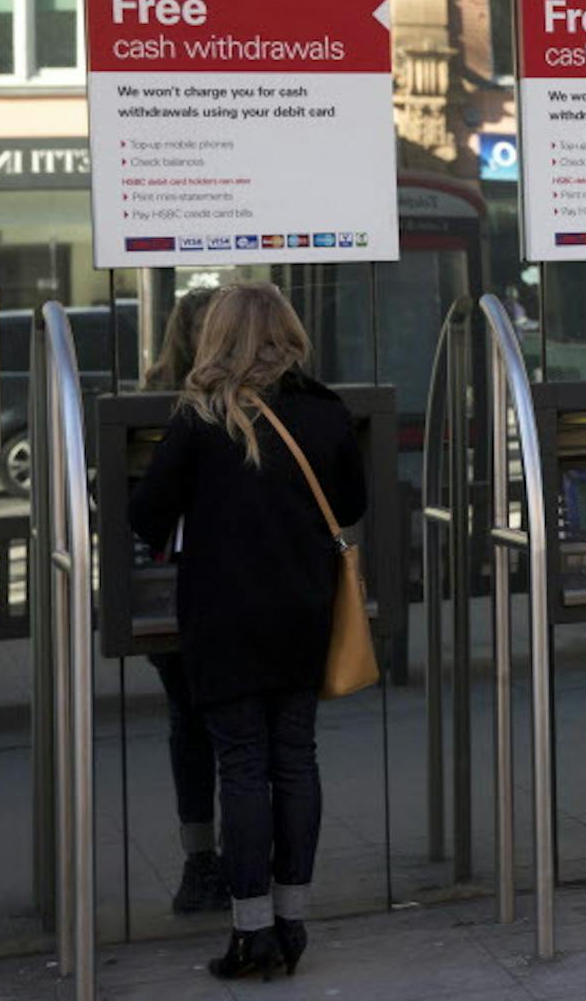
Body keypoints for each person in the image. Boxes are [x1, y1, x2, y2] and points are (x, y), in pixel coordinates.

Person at [129, 284, 367, 979]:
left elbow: (146, 515)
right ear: (288, 332)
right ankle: (292, 922)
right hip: (303, 611)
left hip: (224, 619)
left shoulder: (201, 417)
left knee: (242, 766)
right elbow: (351, 502)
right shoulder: (325, 411)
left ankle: (250, 933)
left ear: (220, 338)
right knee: (295, 757)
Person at [139, 287, 230, 915]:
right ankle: (204, 857)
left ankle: (219, 860)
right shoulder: (165, 401)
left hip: (188, 581)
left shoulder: (158, 399)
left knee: (212, 729)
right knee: (196, 725)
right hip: (183, 585)